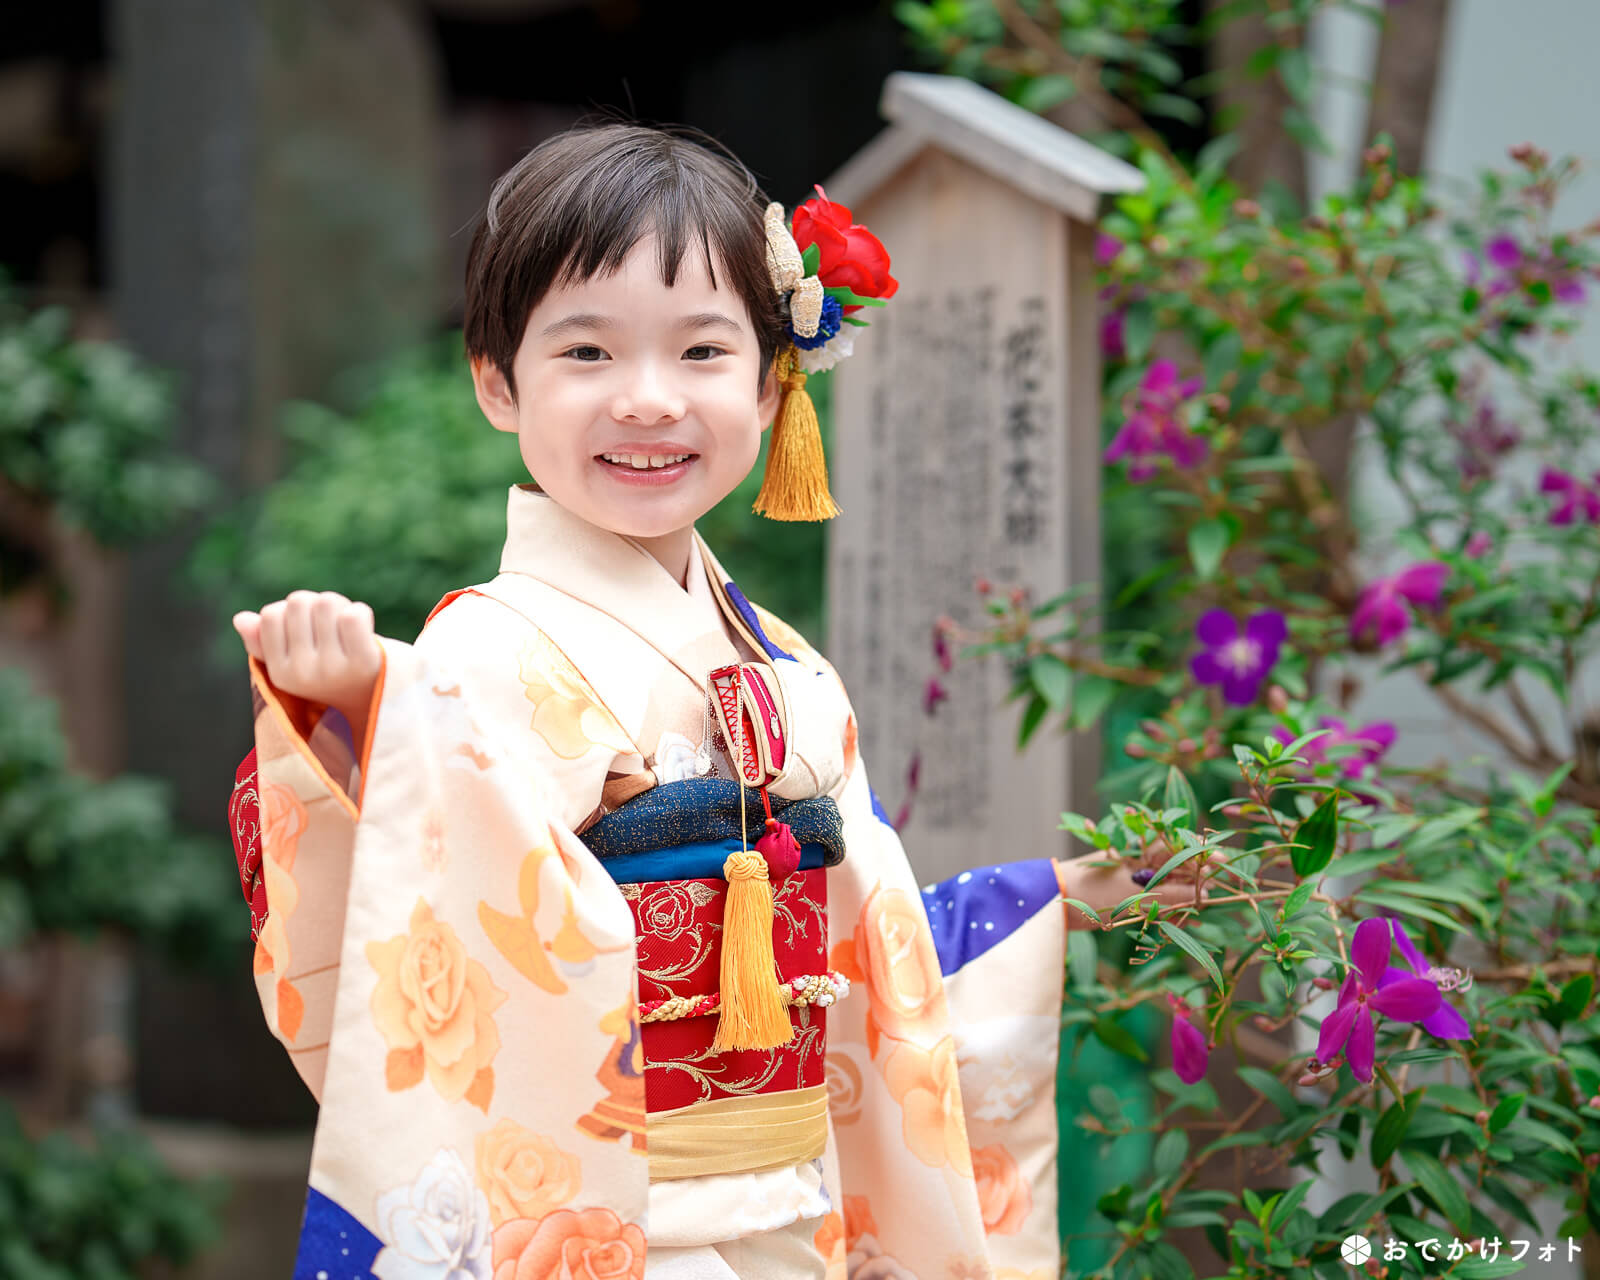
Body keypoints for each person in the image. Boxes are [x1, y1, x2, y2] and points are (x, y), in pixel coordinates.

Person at [229, 123, 1199, 1280]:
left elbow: (854, 947)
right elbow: (424, 931)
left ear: (771, 376)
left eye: (700, 352)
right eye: (586, 353)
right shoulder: (474, 655)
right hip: (608, 1223)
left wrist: (1053, 895)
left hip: (795, 1220)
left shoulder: (788, 668)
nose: (647, 400)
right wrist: (356, 718)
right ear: (498, 382)